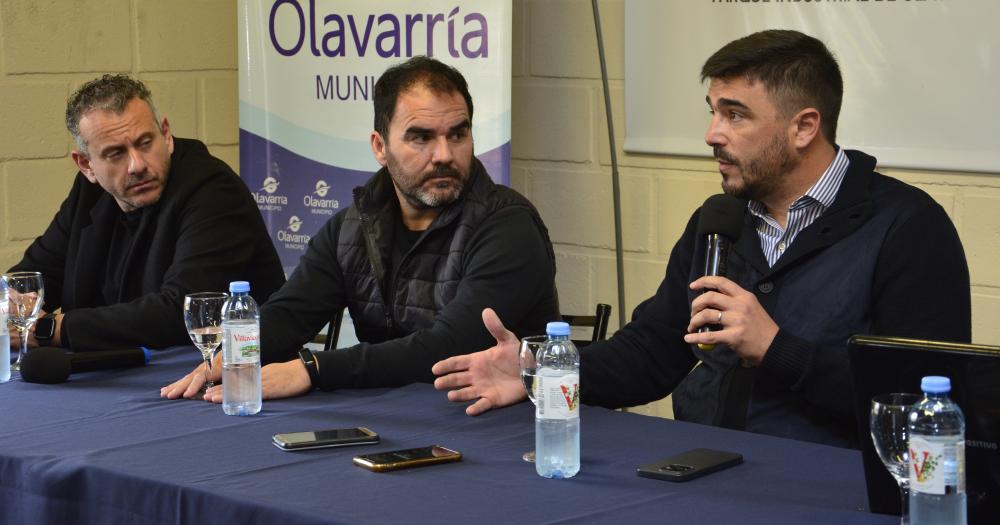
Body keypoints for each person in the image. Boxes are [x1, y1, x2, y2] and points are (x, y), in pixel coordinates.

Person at [432, 30, 971, 448]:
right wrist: (542, 370)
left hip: (833, 486)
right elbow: (650, 354)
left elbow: (920, 397)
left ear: (804, 127)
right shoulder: (720, 221)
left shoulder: (908, 229)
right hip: (707, 466)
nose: (712, 134)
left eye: (734, 115)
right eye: (713, 112)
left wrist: (778, 349)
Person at [161, 56, 558, 401]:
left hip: (496, 427)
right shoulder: (354, 226)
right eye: (421, 138)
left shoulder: (507, 226)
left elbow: (447, 348)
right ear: (379, 147)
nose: (444, 155)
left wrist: (312, 369)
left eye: (458, 134)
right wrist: (231, 357)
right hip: (390, 416)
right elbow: (290, 313)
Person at [7, 74, 285, 352]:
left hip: (212, 375)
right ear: (86, 165)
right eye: (116, 154)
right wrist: (9, 305)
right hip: (113, 372)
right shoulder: (89, 194)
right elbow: (28, 282)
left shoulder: (213, 190)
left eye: (145, 143)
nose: (137, 165)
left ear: (166, 135)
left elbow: (180, 313)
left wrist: (51, 328)